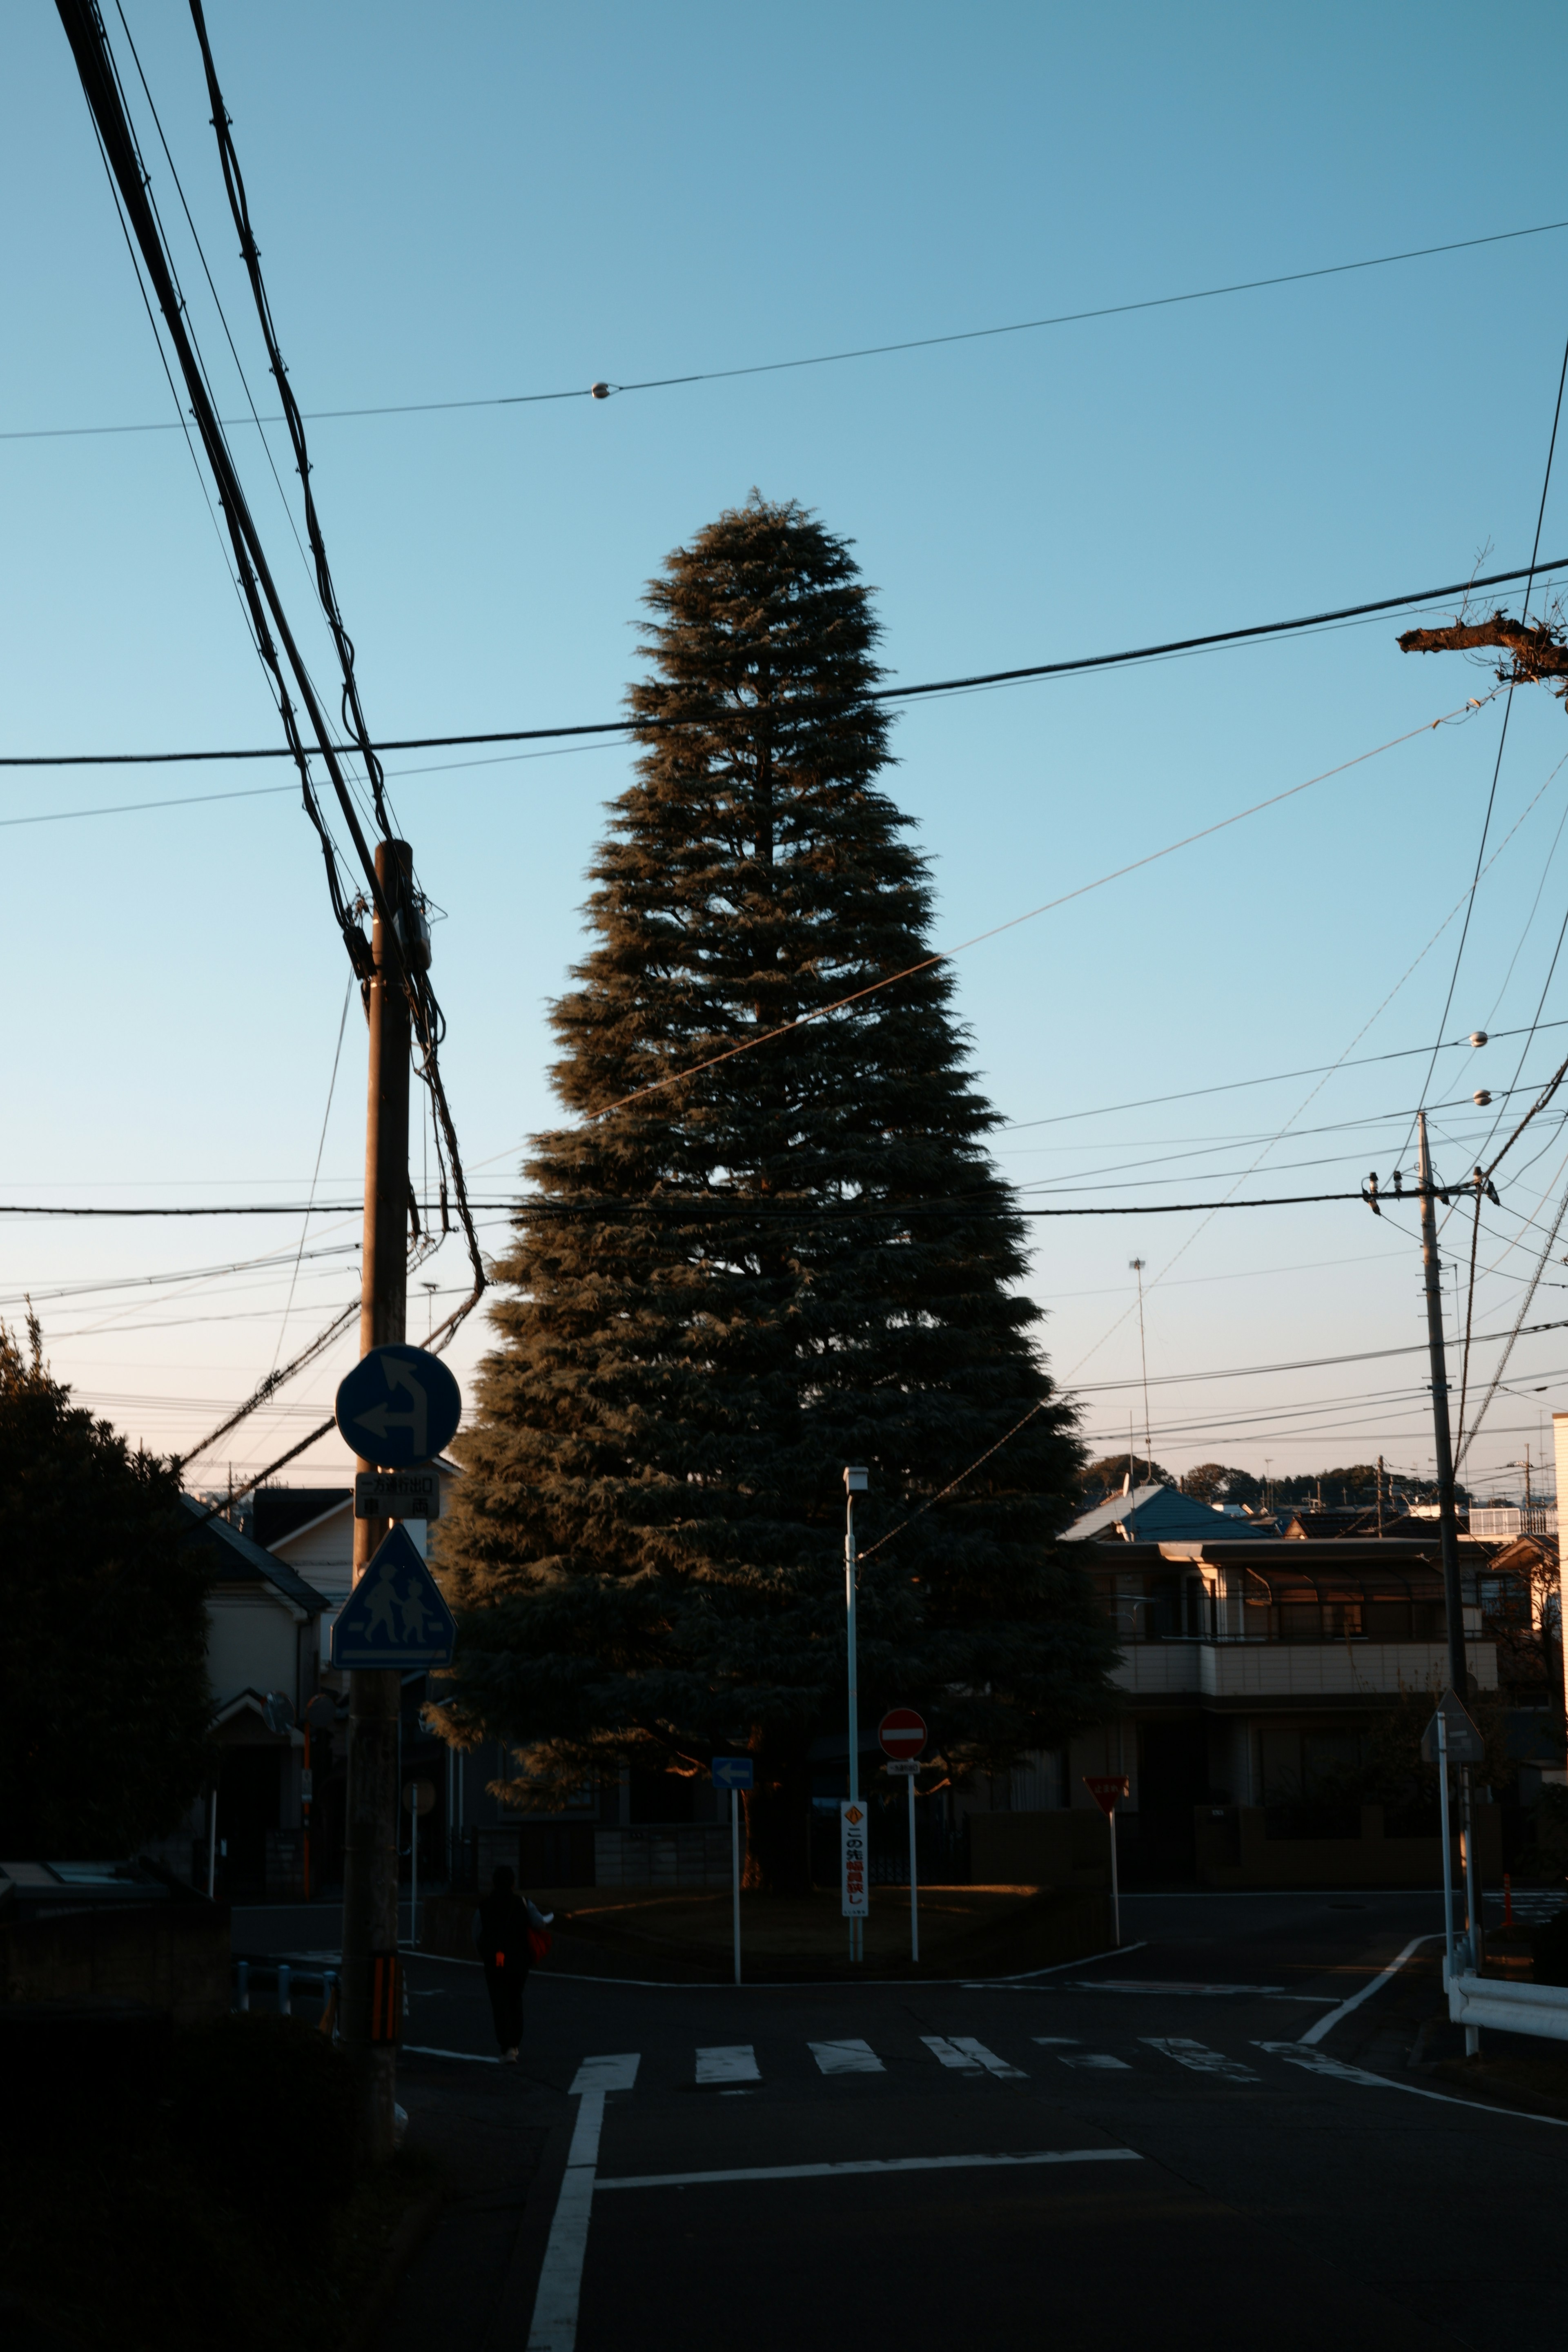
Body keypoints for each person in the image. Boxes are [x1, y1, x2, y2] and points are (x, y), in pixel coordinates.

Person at [472, 1865, 553, 2062]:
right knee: (515, 1999)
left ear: (494, 1883)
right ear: (513, 1883)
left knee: (499, 2003)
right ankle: (515, 2045)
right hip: (519, 1961)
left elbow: (477, 1934)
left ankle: (506, 2046)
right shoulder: (522, 1903)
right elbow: (539, 1922)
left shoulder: (484, 1907)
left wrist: (486, 1953)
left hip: (494, 1961)